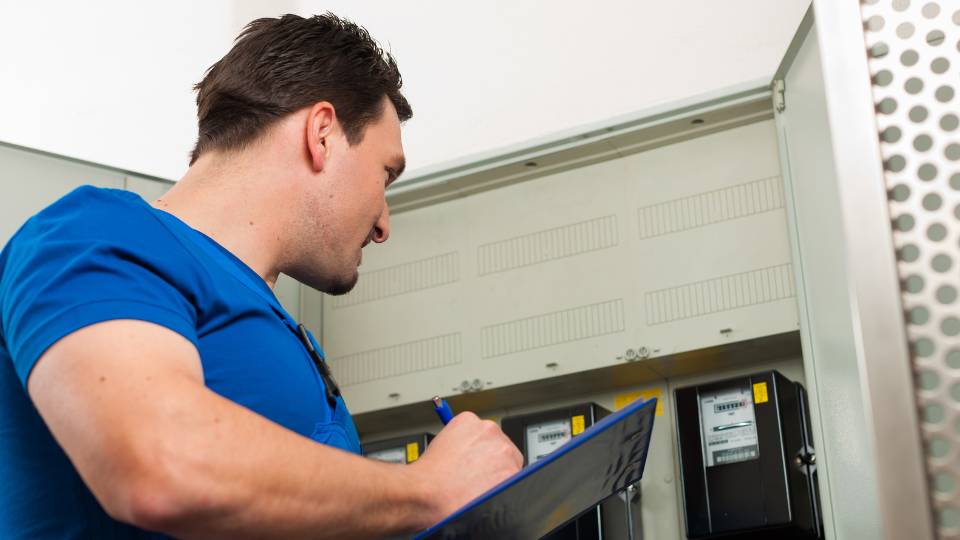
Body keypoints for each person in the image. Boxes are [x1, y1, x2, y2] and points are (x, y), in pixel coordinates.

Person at [0, 13, 522, 539]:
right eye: (385, 174)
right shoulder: (96, 232)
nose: (384, 222)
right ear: (322, 134)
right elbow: (159, 463)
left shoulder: (285, 330)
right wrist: (430, 488)